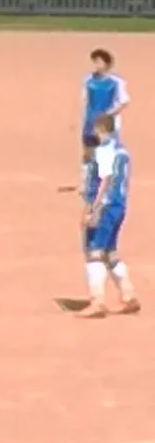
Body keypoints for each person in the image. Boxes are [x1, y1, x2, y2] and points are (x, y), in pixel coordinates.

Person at [77, 112, 139, 319]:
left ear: (100, 129)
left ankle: (98, 302)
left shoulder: (103, 151)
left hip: (105, 206)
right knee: (110, 252)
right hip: (119, 206)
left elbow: (105, 180)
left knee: (94, 253)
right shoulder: (122, 151)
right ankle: (128, 295)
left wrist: (92, 209)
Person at [83, 48, 129, 169]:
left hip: (107, 124)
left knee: (106, 153)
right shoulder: (88, 80)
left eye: (99, 62)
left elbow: (124, 102)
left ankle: (107, 178)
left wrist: (107, 115)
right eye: (95, 62)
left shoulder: (116, 82)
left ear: (107, 63)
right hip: (90, 121)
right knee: (88, 153)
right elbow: (86, 100)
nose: (96, 65)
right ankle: (87, 177)